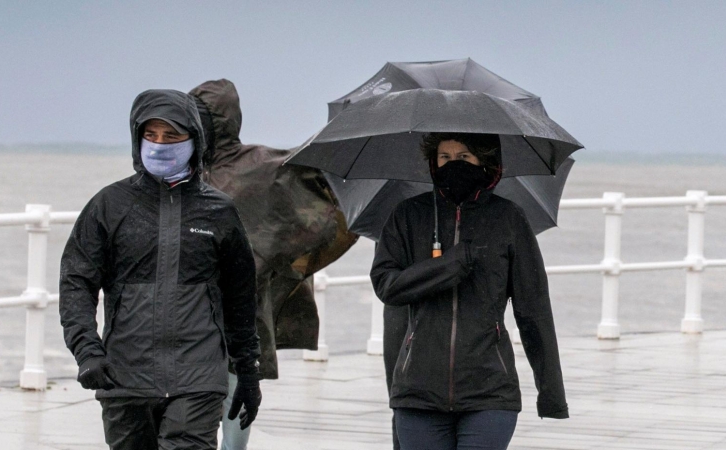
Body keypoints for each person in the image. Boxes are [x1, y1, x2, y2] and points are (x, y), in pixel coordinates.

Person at [59, 89, 262, 450]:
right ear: (137, 138)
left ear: (194, 141)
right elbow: (77, 281)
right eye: (150, 135)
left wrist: (248, 372)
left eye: (171, 136)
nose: (159, 144)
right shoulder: (109, 206)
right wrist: (87, 351)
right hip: (125, 377)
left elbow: (241, 296)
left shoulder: (218, 212)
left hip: (198, 378)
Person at [370, 132, 568, 450]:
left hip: (490, 390)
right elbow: (387, 286)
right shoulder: (407, 215)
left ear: (485, 162)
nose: (453, 165)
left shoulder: (508, 218)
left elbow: (534, 308)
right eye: (444, 158)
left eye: (463, 157)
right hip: (418, 392)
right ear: (433, 164)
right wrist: (446, 267)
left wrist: (551, 393)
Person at [189, 79, 357, 449]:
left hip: (243, 306)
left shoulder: (259, 166)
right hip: (189, 311)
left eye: (202, 118)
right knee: (190, 414)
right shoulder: (185, 173)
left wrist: (349, 132)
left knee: (237, 399)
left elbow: (309, 177)